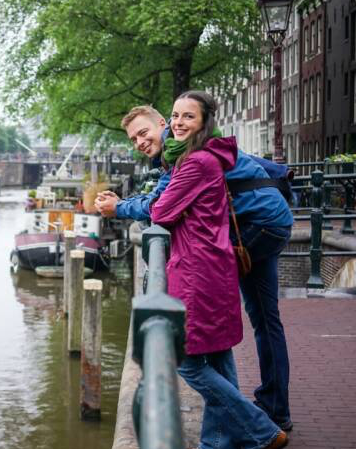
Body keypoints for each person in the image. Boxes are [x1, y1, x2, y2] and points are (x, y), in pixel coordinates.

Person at [96, 104, 294, 432]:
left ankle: (252, 424)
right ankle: (270, 410)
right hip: (271, 217)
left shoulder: (184, 152)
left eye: (144, 133)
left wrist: (119, 206)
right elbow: (167, 197)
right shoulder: (187, 146)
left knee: (212, 309)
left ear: (163, 123)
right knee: (263, 320)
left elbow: (160, 206)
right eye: (133, 140)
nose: (140, 142)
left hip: (256, 224)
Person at [150, 90, 287, 449]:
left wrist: (166, 203)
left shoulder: (196, 162)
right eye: (175, 115)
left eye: (187, 117)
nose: (178, 123)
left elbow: (160, 212)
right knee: (219, 355)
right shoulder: (208, 158)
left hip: (197, 270)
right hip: (214, 265)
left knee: (183, 359)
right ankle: (217, 443)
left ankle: (262, 430)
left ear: (204, 122)